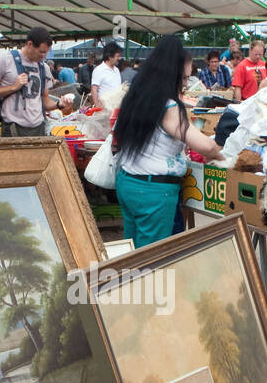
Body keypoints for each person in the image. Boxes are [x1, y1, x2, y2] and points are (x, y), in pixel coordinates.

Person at [113, 35, 222, 249]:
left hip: (128, 182)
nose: (185, 84)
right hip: (153, 192)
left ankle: (132, 283)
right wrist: (227, 154)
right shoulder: (168, 107)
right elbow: (206, 146)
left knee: (133, 253)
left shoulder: (137, 96)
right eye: (183, 79)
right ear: (170, 75)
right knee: (151, 260)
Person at [0, 26, 66, 136]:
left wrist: (59, 104)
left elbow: (45, 101)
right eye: (41, 51)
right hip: (13, 129)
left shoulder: (44, 67)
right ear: (30, 44)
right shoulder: (5, 60)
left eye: (46, 52)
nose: (43, 56)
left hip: (39, 129)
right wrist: (13, 87)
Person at [90, 42, 124, 106]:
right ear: (109, 57)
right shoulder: (99, 70)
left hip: (116, 107)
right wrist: (97, 107)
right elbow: (94, 89)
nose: (119, 58)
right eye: (117, 56)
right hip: (105, 109)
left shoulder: (116, 70)